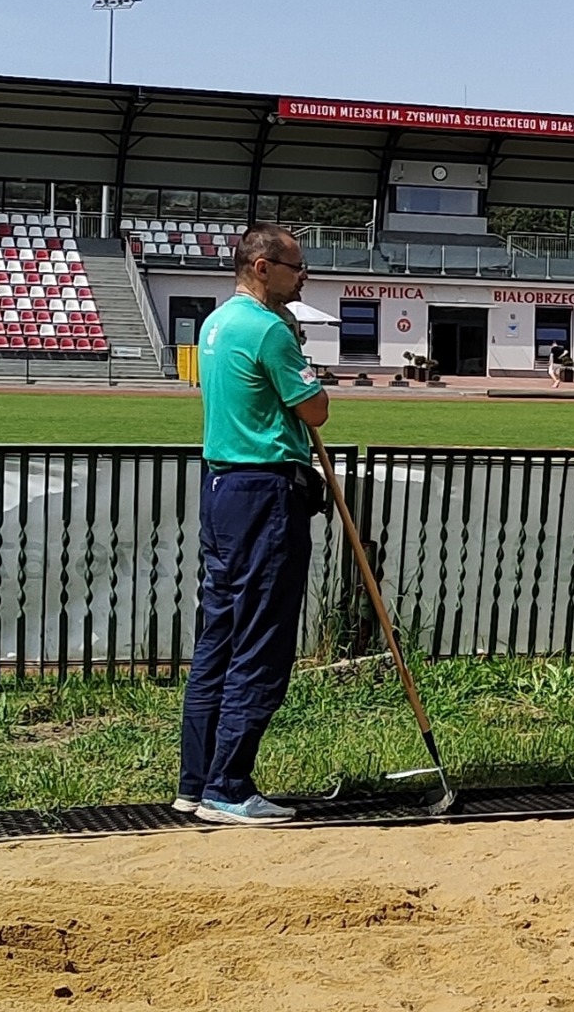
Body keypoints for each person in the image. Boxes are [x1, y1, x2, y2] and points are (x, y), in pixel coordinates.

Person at [178, 222, 330, 825]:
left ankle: (197, 781)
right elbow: (316, 408)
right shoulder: (269, 330)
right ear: (262, 266)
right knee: (262, 640)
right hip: (265, 490)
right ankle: (228, 785)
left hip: (221, 488)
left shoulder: (215, 323)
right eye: (297, 269)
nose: (303, 279)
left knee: (218, 636)